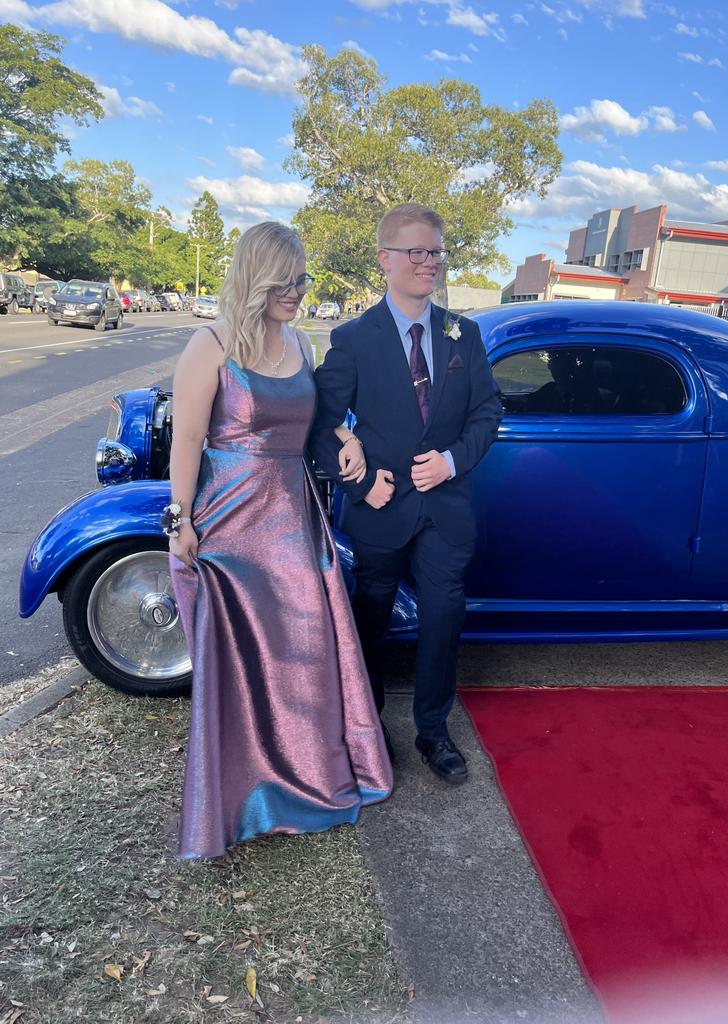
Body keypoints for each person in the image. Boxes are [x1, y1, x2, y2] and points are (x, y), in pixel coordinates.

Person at [167, 222, 392, 860]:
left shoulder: (300, 341)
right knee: (240, 659)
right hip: (230, 523)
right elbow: (187, 441)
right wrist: (180, 519)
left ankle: (310, 778)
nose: (298, 292)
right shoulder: (208, 346)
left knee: (305, 646)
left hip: (292, 516)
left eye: (303, 280)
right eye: (287, 282)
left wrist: (346, 439)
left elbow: (316, 419)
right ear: (257, 278)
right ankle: (248, 792)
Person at [309, 203, 502, 784]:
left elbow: (488, 411)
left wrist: (450, 461)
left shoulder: (462, 333)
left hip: (444, 509)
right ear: (385, 259)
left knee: (444, 615)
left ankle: (433, 731)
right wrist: (363, 483)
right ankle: (367, 731)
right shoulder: (353, 338)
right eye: (416, 251)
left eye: (436, 251)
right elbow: (319, 425)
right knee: (369, 618)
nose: (429, 262)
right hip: (380, 509)